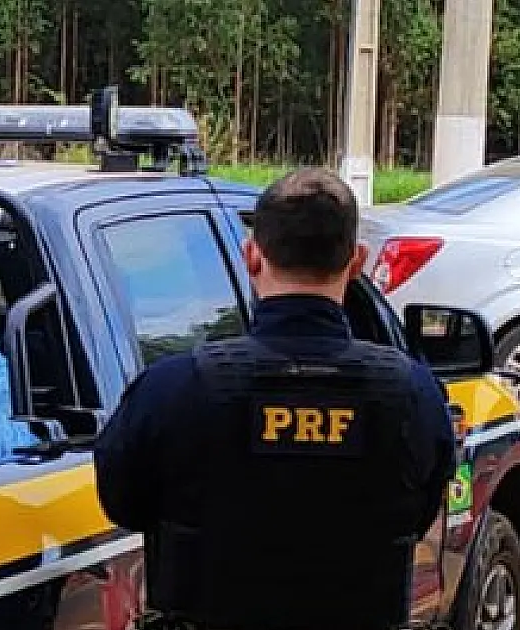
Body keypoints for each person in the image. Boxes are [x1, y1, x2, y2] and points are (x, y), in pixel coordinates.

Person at [94, 168, 456, 630]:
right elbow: (421, 514)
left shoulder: (173, 388)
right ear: (357, 261)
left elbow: (123, 504)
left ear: (252, 256)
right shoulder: (414, 395)